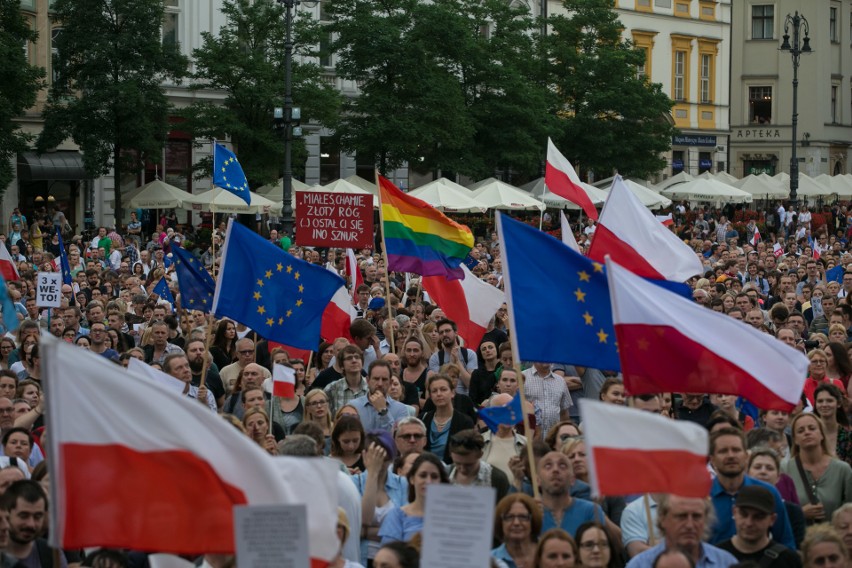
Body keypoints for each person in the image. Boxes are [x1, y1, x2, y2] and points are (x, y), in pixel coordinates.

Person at [625, 495, 737, 568]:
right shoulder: (639, 565)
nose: (689, 525)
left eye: (697, 516)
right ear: (663, 519)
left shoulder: (726, 563)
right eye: (681, 516)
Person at [781, 413, 852, 523]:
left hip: (834, 537)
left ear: (822, 434)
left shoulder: (842, 470)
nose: (807, 432)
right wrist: (800, 513)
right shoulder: (785, 469)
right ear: (795, 440)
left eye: (812, 428)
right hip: (799, 538)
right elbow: (778, 510)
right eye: (801, 431)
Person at [352, 436, 407, 565]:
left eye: (384, 458)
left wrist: (365, 532)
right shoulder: (354, 482)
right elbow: (364, 520)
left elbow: (403, 528)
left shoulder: (402, 484)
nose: (380, 463)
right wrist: (372, 474)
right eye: (375, 457)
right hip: (362, 558)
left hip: (393, 559)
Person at [716, 486, 802, 568]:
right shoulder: (715, 557)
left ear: (772, 519)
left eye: (758, 517)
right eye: (744, 514)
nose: (749, 523)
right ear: (734, 512)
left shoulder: (788, 560)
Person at [378, 452, 448, 544]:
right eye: (423, 475)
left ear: (441, 481)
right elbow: (388, 555)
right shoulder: (397, 516)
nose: (428, 481)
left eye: (434, 477)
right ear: (412, 479)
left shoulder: (450, 517)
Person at [538, 451, 606, 537]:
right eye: (548, 466)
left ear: (572, 480)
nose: (555, 470)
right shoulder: (529, 513)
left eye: (562, 466)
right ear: (538, 480)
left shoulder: (591, 511)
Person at [1, 479, 67, 568]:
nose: (31, 524)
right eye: (23, 516)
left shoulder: (51, 553)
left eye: (37, 516)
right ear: (7, 513)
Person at [419, 375, 474, 464]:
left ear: (452, 393)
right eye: (434, 391)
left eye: (443, 389)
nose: (439, 394)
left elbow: (468, 455)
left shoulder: (465, 422)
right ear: (430, 396)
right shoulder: (422, 419)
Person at [447, 429, 511, 501]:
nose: (462, 469)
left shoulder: (497, 478)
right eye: (457, 463)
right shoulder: (445, 474)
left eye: (469, 465)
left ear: (480, 455)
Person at [350, 361, 410, 433]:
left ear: (390, 382)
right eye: (376, 379)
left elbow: (398, 438)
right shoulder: (353, 406)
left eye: (384, 379)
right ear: (368, 381)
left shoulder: (401, 409)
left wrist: (383, 411)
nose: (380, 384)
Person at [427, 319, 477, 395]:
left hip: (466, 399)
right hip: (445, 398)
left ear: (456, 333)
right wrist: (451, 364)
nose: (444, 334)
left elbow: (471, 385)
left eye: (447, 331)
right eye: (441, 332)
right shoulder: (435, 358)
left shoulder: (469, 354)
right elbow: (439, 384)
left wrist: (457, 361)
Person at [492, 493, 542, 568]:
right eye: (509, 517)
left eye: (523, 517)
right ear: (500, 522)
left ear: (533, 520)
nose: (516, 523)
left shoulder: (549, 554)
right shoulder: (489, 560)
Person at [523, 363, 572, 437]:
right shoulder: (522, 377)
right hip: (529, 439)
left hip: (553, 439)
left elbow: (564, 413)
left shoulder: (560, 381)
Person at [813, 384, 852, 465]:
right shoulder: (810, 434)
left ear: (838, 404)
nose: (824, 405)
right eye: (820, 401)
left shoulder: (848, 436)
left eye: (829, 401)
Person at [303, 390, 334, 455]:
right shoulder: (303, 433)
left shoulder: (337, 428)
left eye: (322, 402)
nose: (319, 406)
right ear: (308, 408)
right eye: (314, 403)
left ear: (328, 404)